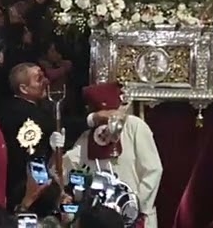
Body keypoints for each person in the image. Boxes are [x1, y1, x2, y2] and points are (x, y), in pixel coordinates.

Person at [63, 82, 163, 226]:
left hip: (135, 214)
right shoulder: (88, 135)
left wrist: (136, 205)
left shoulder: (134, 126)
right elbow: (69, 167)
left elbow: (153, 170)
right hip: (100, 219)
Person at [0, 62, 62, 213]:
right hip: (25, 187)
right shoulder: (27, 113)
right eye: (39, 79)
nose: (45, 81)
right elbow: (48, 125)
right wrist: (90, 119)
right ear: (23, 89)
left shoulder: (7, 107)